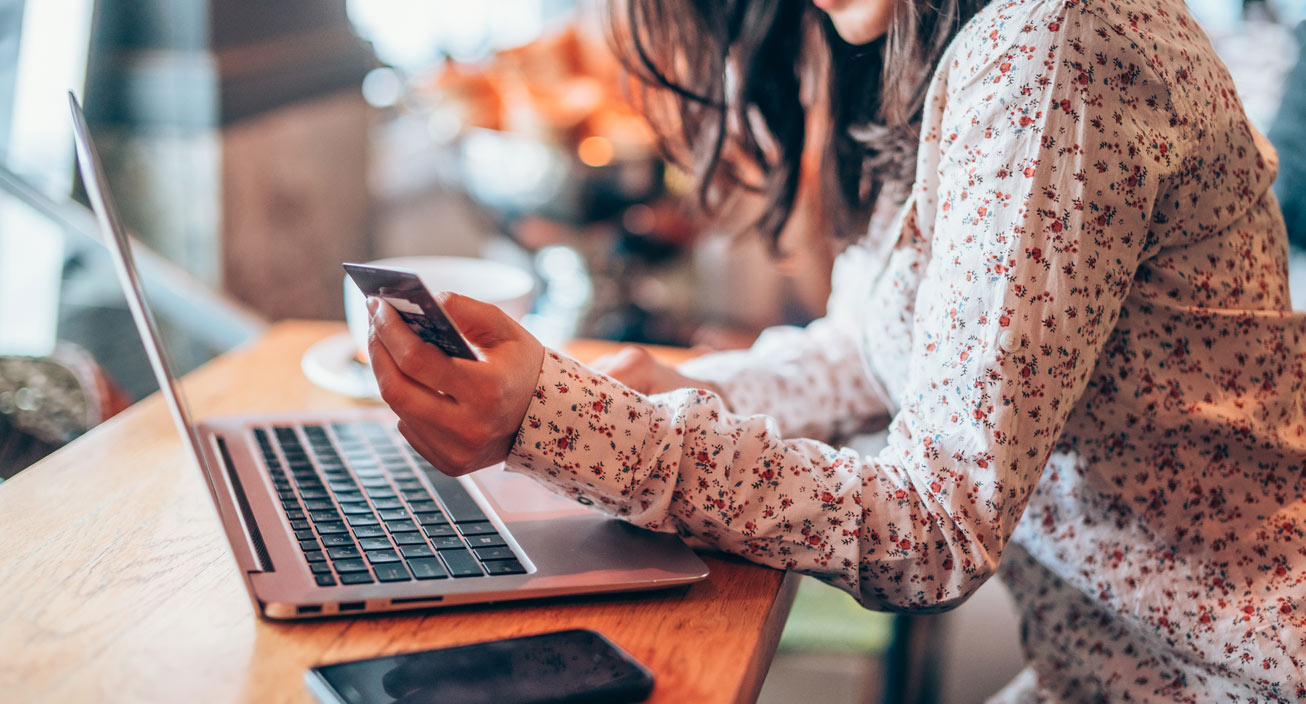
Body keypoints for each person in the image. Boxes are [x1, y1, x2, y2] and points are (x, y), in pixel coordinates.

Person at [366, 0, 1306, 700]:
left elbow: (935, 529)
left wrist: (564, 427)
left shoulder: (1050, 49)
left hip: (1228, 675)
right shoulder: (942, 44)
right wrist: (675, 389)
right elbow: (881, 350)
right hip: (1106, 670)